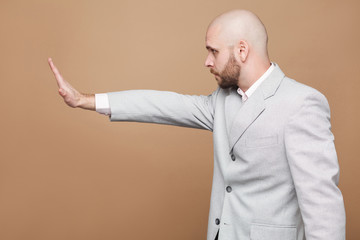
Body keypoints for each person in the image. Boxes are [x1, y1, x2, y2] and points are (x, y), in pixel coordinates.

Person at [48, 9, 346, 240]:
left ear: (242, 50)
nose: (206, 61)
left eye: (213, 51)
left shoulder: (301, 103)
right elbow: (166, 106)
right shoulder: (223, 101)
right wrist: (84, 100)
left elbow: (323, 207)